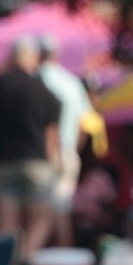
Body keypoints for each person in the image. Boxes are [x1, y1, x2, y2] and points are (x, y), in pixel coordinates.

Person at [0, 36, 61, 261]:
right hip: (36, 162)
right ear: (34, 59)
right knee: (42, 219)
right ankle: (25, 260)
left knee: (6, 222)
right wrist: (52, 162)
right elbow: (51, 134)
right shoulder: (45, 91)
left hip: (3, 161)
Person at [37, 34, 92, 247]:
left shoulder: (35, 79)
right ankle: (63, 260)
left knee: (41, 212)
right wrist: (73, 150)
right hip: (67, 152)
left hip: (42, 154)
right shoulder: (72, 82)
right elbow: (85, 123)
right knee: (61, 209)